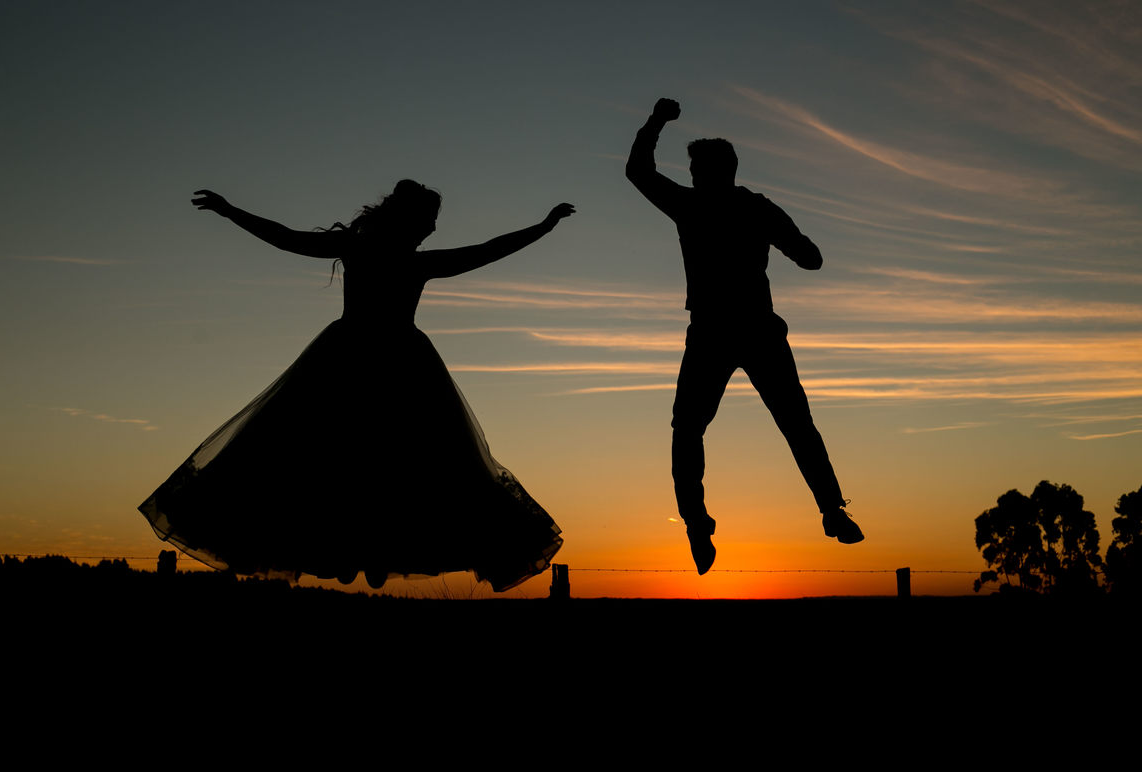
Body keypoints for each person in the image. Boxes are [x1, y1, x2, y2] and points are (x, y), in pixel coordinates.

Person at [138, 181, 574, 591]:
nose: (433, 229)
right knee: (336, 455)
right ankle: (351, 549)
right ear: (409, 221)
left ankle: (368, 550)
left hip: (375, 358)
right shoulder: (381, 254)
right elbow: (287, 238)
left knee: (392, 460)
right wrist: (231, 211)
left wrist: (543, 227)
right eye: (429, 220)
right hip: (375, 360)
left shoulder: (394, 257)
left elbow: (488, 250)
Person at [626, 97, 863, 575]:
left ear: (706, 172)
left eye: (696, 170)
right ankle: (830, 509)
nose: (693, 176)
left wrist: (656, 122)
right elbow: (811, 259)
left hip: (715, 330)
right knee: (794, 423)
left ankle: (697, 522)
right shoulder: (756, 208)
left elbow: (638, 171)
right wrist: (784, 237)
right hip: (755, 328)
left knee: (689, 429)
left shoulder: (691, 205)